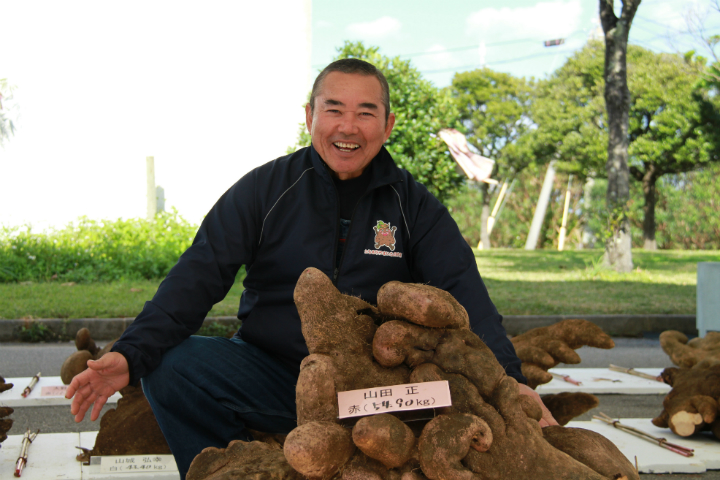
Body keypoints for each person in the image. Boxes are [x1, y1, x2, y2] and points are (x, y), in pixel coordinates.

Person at [66, 58, 555, 478]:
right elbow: (198, 275)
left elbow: (462, 291)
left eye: (366, 112)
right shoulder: (264, 190)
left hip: (382, 389)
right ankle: (242, 467)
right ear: (309, 116)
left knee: (445, 403)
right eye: (333, 109)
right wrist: (131, 354)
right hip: (279, 375)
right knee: (172, 367)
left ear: (387, 126)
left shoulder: (413, 205)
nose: (348, 127)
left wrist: (512, 385)